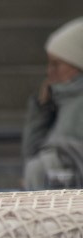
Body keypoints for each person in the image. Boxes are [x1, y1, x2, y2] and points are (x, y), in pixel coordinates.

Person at [24, 17, 83, 189]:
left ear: (77, 64)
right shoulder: (59, 102)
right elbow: (32, 152)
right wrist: (42, 108)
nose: (50, 72)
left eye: (56, 64)